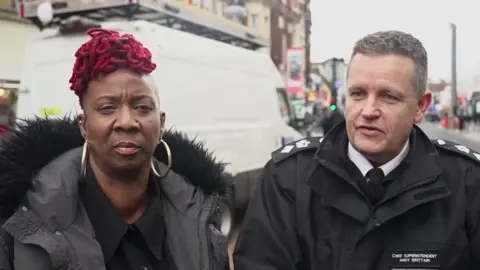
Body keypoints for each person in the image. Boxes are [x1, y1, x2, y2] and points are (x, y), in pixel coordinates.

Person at [233, 30, 480, 270]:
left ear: (420, 106)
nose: (368, 110)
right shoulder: (288, 179)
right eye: (358, 94)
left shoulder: (468, 182)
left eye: (388, 96)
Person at [0, 28, 233, 270]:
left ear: (161, 124)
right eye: (107, 108)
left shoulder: (199, 214)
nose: (126, 122)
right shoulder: (25, 218)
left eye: (142, 107)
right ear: (84, 126)